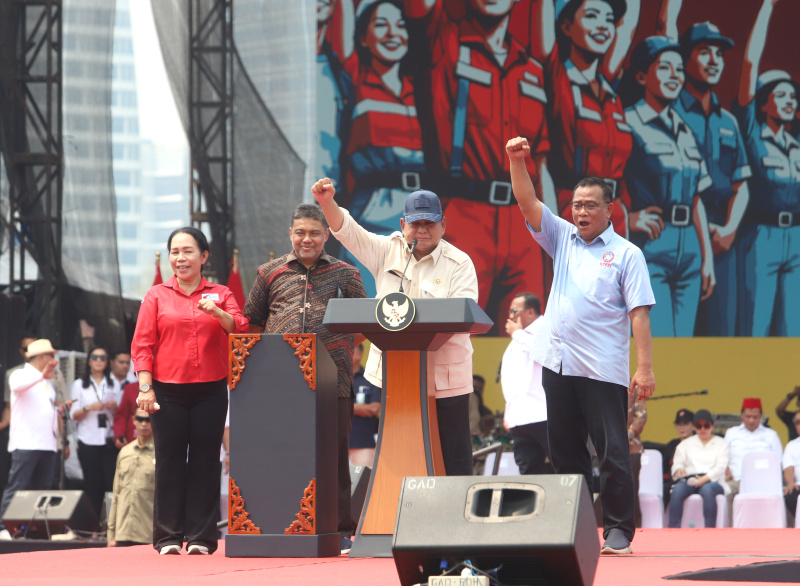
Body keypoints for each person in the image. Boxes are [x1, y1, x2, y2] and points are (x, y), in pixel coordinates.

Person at [506, 136, 655, 555]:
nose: (582, 212)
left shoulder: (627, 254)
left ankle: (619, 531)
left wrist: (644, 368)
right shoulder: (562, 237)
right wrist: (517, 161)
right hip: (558, 364)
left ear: (610, 210)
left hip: (602, 369)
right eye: (576, 205)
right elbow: (527, 202)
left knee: (612, 452)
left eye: (591, 205)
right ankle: (577, 528)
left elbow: (639, 314)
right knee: (565, 454)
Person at [312, 177, 479, 477]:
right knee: (401, 457)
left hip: (446, 381)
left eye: (430, 223)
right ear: (403, 224)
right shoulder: (386, 250)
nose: (422, 229)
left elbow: (463, 315)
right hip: (396, 377)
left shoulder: (460, 263)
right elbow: (348, 231)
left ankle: (454, 507)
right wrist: (327, 202)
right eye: (416, 223)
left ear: (443, 225)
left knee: (452, 461)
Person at [403, 0, 554, 329]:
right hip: (465, 215)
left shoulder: (532, 69)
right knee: (452, 332)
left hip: (523, 223)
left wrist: (551, 236)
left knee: (528, 338)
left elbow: (540, 166)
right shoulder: (444, 40)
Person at [243, 203, 367, 551]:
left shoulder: (347, 273)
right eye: (300, 232)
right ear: (290, 234)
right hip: (279, 384)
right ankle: (277, 522)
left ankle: (339, 528)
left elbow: (362, 325)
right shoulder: (269, 272)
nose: (307, 239)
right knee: (280, 452)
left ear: (326, 235)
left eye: (314, 232)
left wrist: (337, 347)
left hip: (333, 380)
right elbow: (253, 323)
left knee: (334, 456)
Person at [132, 226, 249, 555]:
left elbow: (240, 327)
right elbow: (142, 345)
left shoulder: (220, 292)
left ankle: (201, 537)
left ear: (203, 256)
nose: (180, 258)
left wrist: (218, 313)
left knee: (206, 461)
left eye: (188, 251)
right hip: (166, 390)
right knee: (169, 461)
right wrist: (145, 388)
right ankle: (168, 537)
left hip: (211, 389)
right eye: (175, 252)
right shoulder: (156, 295)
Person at [658, 5, 752, 337]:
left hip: (723, 238)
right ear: (683, 59)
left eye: (720, 54)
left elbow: (742, 184)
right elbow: (665, 28)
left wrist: (729, 230)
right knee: (676, 334)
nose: (714, 60)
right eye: (704, 52)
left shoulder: (729, 121)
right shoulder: (669, 108)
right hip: (681, 229)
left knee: (722, 331)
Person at [622, 36, 715, 337]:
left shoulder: (685, 129)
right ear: (641, 76)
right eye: (664, 68)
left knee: (683, 342)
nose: (675, 75)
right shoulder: (628, 122)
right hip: (652, 245)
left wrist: (707, 258)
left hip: (690, 249)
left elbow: (696, 198)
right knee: (658, 340)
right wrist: (628, 218)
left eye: (679, 69)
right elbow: (607, 181)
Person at [534, 0, 639, 237]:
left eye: (609, 20)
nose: (603, 26)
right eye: (592, 16)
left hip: (614, 216)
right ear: (566, 27)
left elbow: (628, 24)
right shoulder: (557, 77)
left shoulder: (610, 92)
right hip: (571, 213)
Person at [734, 0, 799, 337]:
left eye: (793, 97)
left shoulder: (796, 144)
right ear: (763, 102)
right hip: (762, 237)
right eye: (781, 94)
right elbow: (750, 64)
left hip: (796, 238)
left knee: (793, 329)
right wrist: (767, 7)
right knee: (756, 326)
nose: (790, 101)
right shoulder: (751, 134)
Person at [0, 340, 61, 540]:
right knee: (18, 486)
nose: (53, 360)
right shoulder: (20, 374)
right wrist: (42, 376)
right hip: (26, 443)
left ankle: (34, 528)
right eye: (51, 355)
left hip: (48, 443)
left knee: (42, 488)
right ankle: (3, 527)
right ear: (42, 356)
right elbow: (18, 387)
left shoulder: (46, 380)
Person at [500, 292, 552, 475]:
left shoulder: (545, 328)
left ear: (530, 312)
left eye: (514, 311)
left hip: (544, 415)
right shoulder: (519, 336)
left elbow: (545, 352)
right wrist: (509, 411)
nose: (510, 316)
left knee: (563, 467)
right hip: (520, 418)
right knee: (529, 472)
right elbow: (514, 379)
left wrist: (517, 334)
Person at [69, 346, 120, 518]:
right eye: (95, 357)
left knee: (111, 483)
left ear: (107, 362)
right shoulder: (79, 384)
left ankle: (110, 523)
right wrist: (88, 408)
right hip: (87, 439)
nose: (99, 361)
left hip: (108, 439)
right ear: (89, 361)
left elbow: (121, 414)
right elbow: (73, 415)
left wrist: (114, 408)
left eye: (103, 358)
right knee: (92, 485)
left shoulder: (113, 383)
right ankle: (91, 525)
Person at [668, 409, 729, 528]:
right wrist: (678, 470)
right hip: (691, 479)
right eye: (699, 426)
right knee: (677, 490)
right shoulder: (685, 444)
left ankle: (710, 530)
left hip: (713, 480)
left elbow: (721, 467)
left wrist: (703, 479)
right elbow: (677, 464)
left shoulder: (721, 443)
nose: (702, 429)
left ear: (712, 426)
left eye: (706, 426)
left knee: (707, 490)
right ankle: (673, 529)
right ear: (694, 427)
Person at [724, 397, 783, 516]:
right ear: (741, 415)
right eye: (748, 416)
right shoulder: (731, 433)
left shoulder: (771, 435)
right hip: (737, 481)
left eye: (755, 417)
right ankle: (730, 526)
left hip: (763, 482)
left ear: (761, 416)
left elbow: (779, 462)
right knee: (727, 490)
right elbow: (722, 457)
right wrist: (726, 470)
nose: (751, 420)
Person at [107, 407, 155, 547]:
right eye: (140, 419)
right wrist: (111, 534)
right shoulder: (124, 452)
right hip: (122, 532)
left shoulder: (162, 453)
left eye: (148, 420)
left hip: (148, 534)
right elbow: (116, 494)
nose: (144, 424)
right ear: (134, 420)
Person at [0, 336, 38, 501]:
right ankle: (7, 517)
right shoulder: (14, 374)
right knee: (18, 483)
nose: (30, 352)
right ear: (21, 352)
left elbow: (57, 406)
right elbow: (9, 405)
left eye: (33, 347)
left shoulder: (53, 375)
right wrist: (3, 423)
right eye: (26, 349)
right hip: (23, 437)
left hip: (45, 439)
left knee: (43, 484)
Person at [349, 344, 381, 467]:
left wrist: (345, 407)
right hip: (335, 443)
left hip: (363, 442)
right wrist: (358, 408)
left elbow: (374, 408)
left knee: (364, 478)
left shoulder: (370, 378)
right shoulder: (334, 378)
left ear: (358, 354)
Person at [662, 408, 695, 505]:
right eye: (678, 425)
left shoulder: (699, 443)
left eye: (685, 424)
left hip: (693, 480)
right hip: (674, 481)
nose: (681, 428)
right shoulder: (672, 444)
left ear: (693, 426)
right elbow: (664, 468)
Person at [627, 389, 647, 527]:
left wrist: (630, 432)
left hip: (631, 447)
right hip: (605, 447)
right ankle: (603, 525)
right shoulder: (602, 384)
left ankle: (635, 526)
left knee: (631, 488)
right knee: (605, 487)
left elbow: (642, 415)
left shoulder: (634, 388)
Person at [782, 413, 800, 524]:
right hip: (798, 485)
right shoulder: (791, 445)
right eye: (797, 422)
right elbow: (788, 468)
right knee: (790, 494)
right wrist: (790, 482)